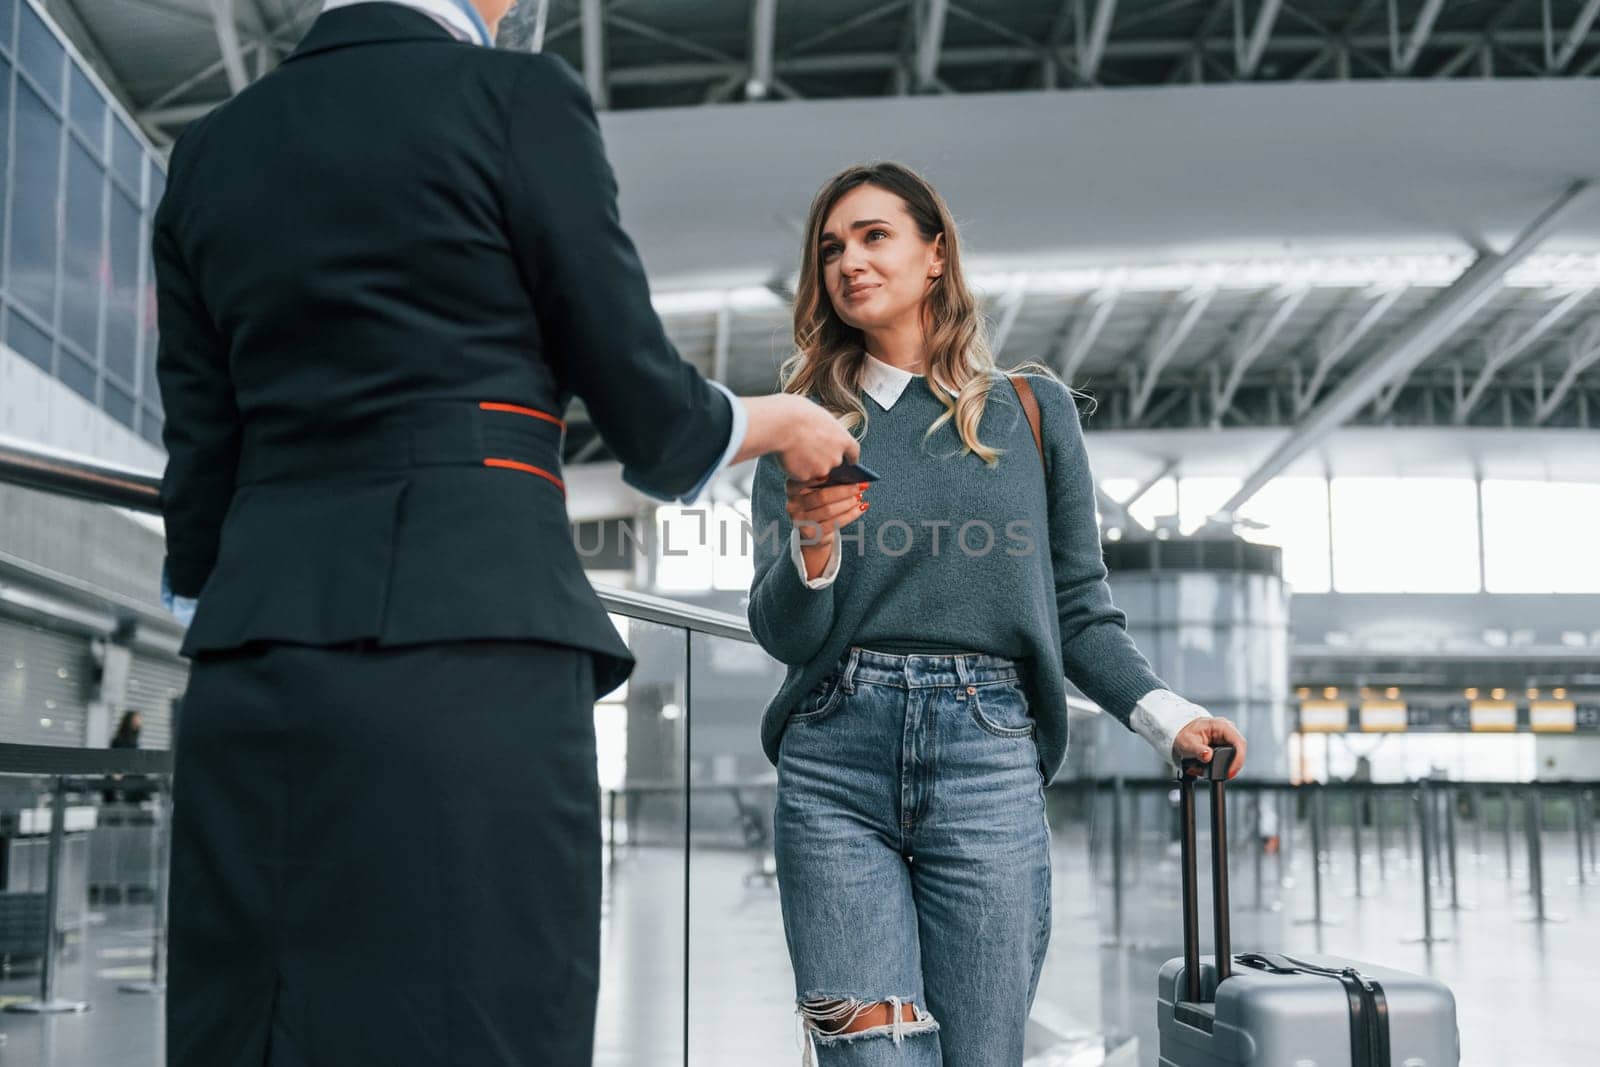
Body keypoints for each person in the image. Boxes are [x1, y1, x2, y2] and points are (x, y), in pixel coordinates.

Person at [152, 2, 857, 1064]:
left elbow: (201, 451)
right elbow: (649, 413)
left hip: (252, 663)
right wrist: (789, 421)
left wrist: (228, 593)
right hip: (468, 636)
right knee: (475, 1013)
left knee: (258, 1022)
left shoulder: (209, 146)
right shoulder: (513, 99)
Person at [747, 162, 1249, 1066]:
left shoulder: (1032, 411)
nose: (848, 263)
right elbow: (783, 633)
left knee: (984, 1053)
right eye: (830, 250)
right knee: (869, 1056)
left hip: (988, 758)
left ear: (935, 253)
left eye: (873, 236)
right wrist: (813, 549)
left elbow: (1079, 613)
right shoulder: (803, 425)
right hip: (832, 765)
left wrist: (1168, 717)